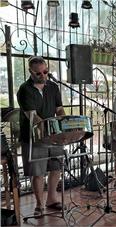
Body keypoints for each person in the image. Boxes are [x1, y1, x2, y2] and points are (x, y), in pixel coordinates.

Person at [17, 56, 65, 216]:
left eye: (45, 72)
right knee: (38, 172)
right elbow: (33, 117)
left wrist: (63, 124)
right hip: (34, 136)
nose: (43, 75)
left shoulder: (53, 87)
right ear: (31, 71)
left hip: (53, 135)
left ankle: (52, 199)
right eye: (39, 73)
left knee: (56, 167)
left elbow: (59, 109)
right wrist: (50, 129)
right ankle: (39, 204)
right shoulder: (25, 89)